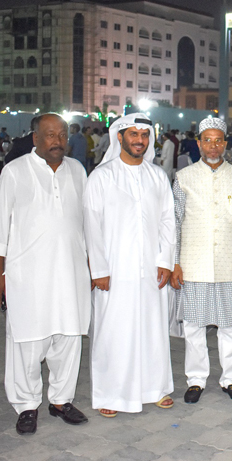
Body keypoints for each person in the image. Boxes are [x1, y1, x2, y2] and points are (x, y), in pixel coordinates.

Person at [0, 113, 91, 435]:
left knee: (68, 337)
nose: (57, 141)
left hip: (70, 271)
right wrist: (0, 278)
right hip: (28, 276)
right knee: (28, 342)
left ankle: (61, 400)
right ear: (35, 138)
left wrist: (92, 267)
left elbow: (87, 223)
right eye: (49, 135)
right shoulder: (15, 172)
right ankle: (26, 405)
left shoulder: (77, 171)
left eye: (62, 135)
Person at [83, 113, 176, 417]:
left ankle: (155, 388)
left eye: (144, 135)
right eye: (133, 134)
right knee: (114, 332)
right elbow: (91, 225)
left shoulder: (157, 176)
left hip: (151, 270)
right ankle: (112, 395)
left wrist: (165, 260)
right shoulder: (102, 176)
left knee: (152, 329)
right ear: (119, 137)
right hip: (114, 270)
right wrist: (99, 270)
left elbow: (167, 222)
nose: (139, 140)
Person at [171, 117, 232, 404]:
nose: (212, 145)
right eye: (206, 140)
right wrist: (174, 263)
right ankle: (196, 380)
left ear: (225, 143)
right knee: (194, 327)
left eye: (218, 140)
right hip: (193, 264)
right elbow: (174, 223)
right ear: (199, 143)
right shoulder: (184, 178)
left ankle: (230, 380)